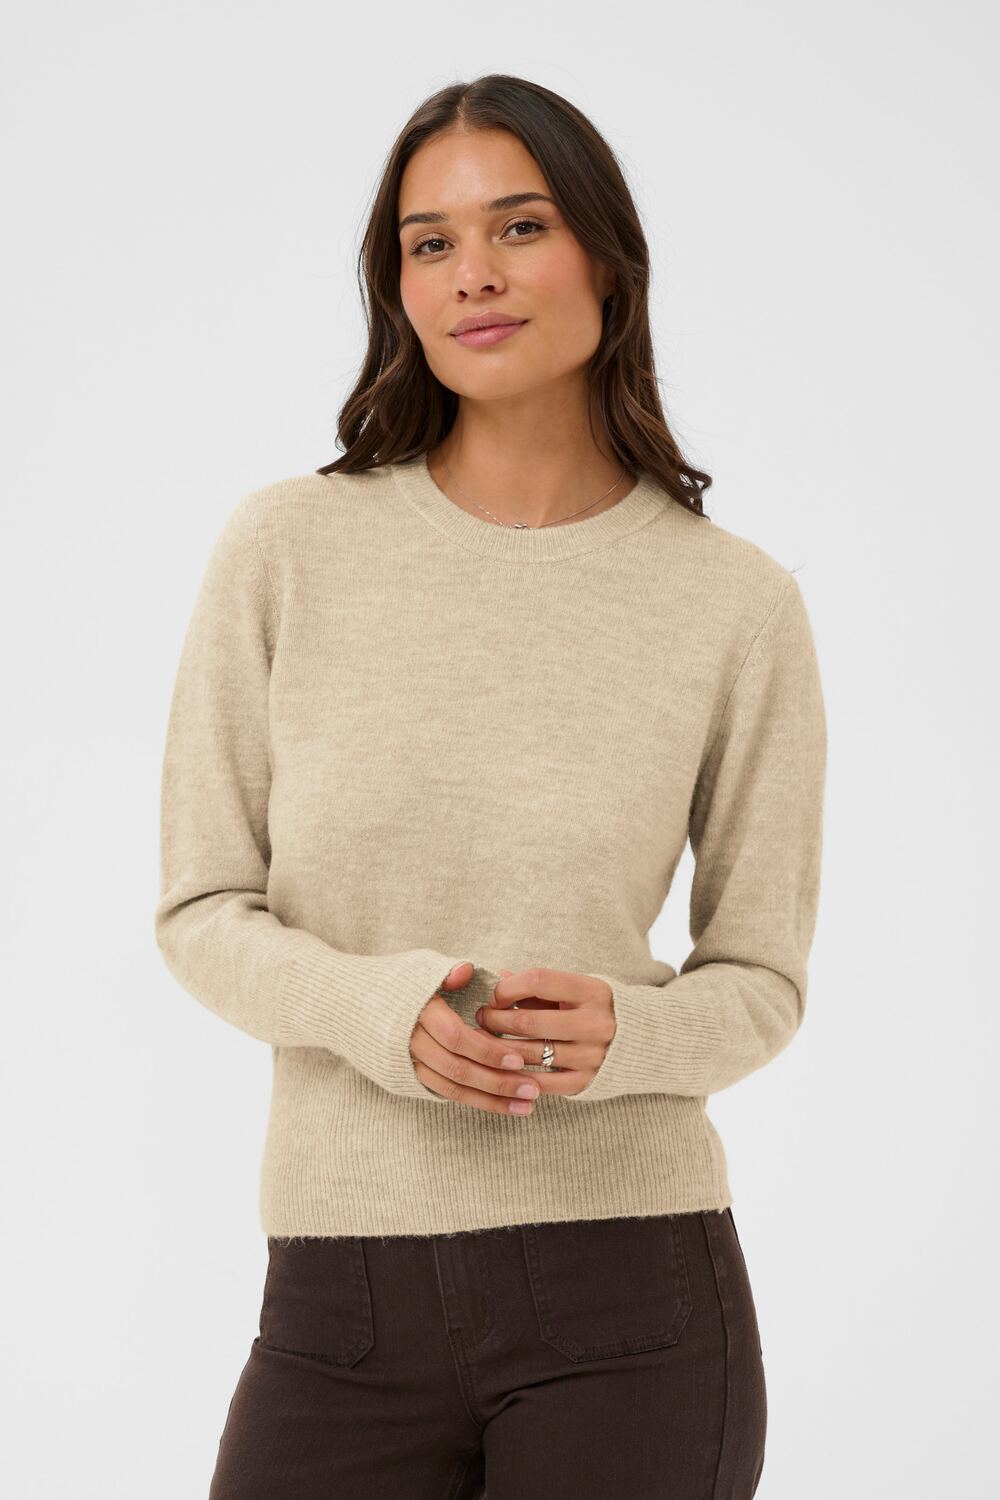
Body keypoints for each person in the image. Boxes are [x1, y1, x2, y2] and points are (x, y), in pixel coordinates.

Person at [155, 72, 827, 1500]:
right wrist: (379, 1010)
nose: (473, 273)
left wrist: (627, 1037)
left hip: (633, 1294)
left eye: (519, 227)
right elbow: (202, 908)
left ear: (606, 259)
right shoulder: (287, 550)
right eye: (430, 242)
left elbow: (762, 981)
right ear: (396, 286)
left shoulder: (736, 605)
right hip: (339, 1301)